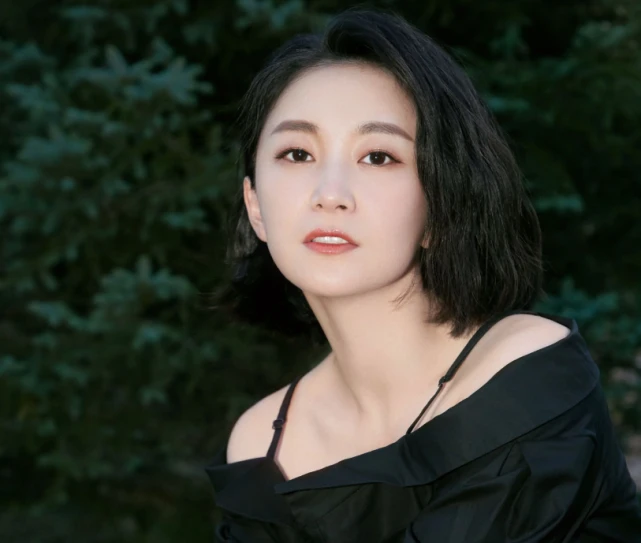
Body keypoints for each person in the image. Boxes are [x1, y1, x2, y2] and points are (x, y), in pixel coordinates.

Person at [204, 7, 641, 542]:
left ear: (440, 203)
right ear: (255, 206)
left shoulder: (523, 374)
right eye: (297, 153)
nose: (330, 194)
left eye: (378, 157)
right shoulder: (260, 445)